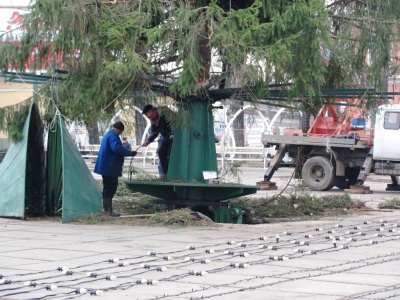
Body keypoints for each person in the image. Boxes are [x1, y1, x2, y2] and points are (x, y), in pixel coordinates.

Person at [94, 121, 137, 217]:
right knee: (110, 188)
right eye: (121, 131)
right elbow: (117, 148)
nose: (121, 133)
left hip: (105, 166)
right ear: (118, 129)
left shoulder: (108, 134)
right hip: (110, 167)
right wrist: (129, 152)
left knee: (107, 187)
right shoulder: (113, 136)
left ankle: (106, 210)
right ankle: (108, 211)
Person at [142, 104, 174, 177]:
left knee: (170, 154)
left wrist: (173, 133)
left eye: (147, 114)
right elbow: (154, 133)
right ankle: (165, 173)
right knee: (161, 152)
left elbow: (174, 122)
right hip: (166, 137)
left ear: (151, 111)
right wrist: (147, 141)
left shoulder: (164, 113)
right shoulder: (153, 120)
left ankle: (171, 173)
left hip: (175, 136)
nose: (147, 116)